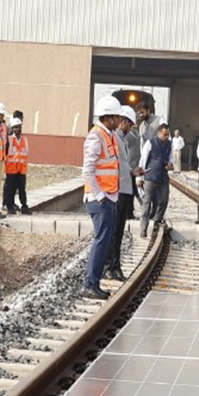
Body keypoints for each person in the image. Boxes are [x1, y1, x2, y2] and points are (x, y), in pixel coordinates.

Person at [81, 99, 126, 299]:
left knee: (105, 241)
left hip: (110, 196)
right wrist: (100, 197)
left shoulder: (110, 135)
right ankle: (90, 283)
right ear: (107, 118)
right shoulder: (95, 137)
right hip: (100, 199)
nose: (119, 120)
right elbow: (87, 171)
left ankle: (94, 282)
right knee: (101, 241)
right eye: (116, 117)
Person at [105, 105, 143, 281]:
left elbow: (123, 165)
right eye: (130, 125)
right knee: (115, 231)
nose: (131, 129)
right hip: (119, 190)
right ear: (123, 122)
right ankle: (112, 266)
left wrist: (133, 171)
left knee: (117, 231)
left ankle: (112, 265)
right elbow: (117, 165)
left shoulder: (122, 140)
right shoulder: (116, 139)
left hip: (124, 189)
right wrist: (130, 171)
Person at [139, 122, 172, 234]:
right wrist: (141, 175)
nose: (166, 137)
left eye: (168, 134)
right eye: (164, 134)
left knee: (164, 199)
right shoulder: (150, 143)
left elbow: (171, 158)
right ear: (159, 133)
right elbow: (144, 159)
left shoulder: (169, 144)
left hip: (163, 177)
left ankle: (157, 220)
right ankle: (143, 227)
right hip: (150, 176)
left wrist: (170, 164)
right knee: (147, 201)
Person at [3, 117, 31, 213]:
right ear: (12, 128)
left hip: (21, 169)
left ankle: (24, 206)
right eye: (15, 127)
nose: (17, 129)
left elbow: (26, 152)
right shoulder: (10, 140)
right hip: (11, 169)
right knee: (10, 189)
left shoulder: (24, 139)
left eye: (19, 127)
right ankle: (9, 206)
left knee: (22, 189)